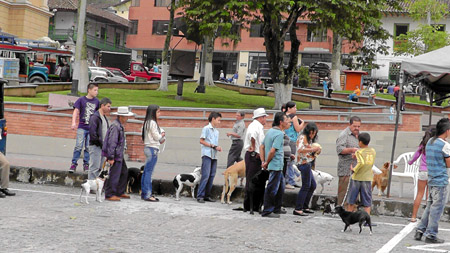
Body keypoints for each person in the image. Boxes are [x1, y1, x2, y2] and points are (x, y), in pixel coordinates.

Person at [414, 118, 450, 244]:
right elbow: (448, 164)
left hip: (431, 179)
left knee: (430, 206)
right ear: (446, 131)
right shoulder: (445, 145)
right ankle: (431, 234)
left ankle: (420, 230)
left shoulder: (429, 142)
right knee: (436, 209)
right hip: (441, 181)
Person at [260, 112, 290, 218]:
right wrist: (266, 162)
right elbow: (272, 150)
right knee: (272, 187)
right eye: (286, 120)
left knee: (280, 187)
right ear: (281, 122)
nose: (288, 122)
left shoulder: (270, 131)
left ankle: (277, 207)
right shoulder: (279, 134)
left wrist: (263, 161)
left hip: (276, 165)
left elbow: (262, 147)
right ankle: (267, 210)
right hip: (275, 164)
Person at [103, 106, 135, 201]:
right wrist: (111, 157)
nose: (127, 118)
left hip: (118, 153)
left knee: (123, 172)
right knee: (114, 174)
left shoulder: (118, 126)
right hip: (116, 154)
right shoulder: (116, 127)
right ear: (121, 116)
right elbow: (112, 143)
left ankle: (119, 191)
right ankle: (110, 193)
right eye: (126, 116)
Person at [69, 83, 100, 173]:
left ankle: (86, 164)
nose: (96, 92)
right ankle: (73, 163)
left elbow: (98, 114)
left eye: (97, 90)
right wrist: (73, 122)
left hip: (91, 129)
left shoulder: (97, 102)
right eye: (95, 90)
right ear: (89, 90)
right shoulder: (81, 100)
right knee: (79, 146)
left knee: (88, 147)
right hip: (82, 127)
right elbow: (76, 111)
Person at [293, 123, 321, 216]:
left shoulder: (308, 139)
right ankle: (298, 208)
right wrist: (312, 149)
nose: (312, 135)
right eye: (311, 133)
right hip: (303, 163)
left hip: (307, 163)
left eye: (314, 134)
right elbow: (300, 149)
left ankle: (305, 206)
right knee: (306, 186)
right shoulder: (302, 137)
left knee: (312, 185)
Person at [243, 108, 268, 211]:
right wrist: (253, 147)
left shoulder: (258, 126)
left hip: (256, 155)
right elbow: (253, 137)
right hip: (254, 155)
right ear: (261, 117)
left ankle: (254, 204)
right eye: (264, 117)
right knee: (252, 180)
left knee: (255, 180)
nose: (265, 119)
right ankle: (249, 205)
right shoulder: (255, 126)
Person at [408, 128, 435, 222]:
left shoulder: (423, 145)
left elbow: (415, 155)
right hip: (432, 172)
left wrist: (410, 162)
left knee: (419, 193)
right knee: (429, 196)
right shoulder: (436, 145)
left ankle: (413, 216)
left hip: (423, 171)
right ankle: (428, 218)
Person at [141, 105, 166, 202]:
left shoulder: (146, 122)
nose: (160, 114)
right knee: (149, 172)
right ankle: (148, 194)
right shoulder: (152, 123)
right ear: (153, 112)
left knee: (146, 172)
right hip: (152, 148)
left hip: (148, 147)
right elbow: (156, 136)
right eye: (158, 112)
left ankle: (144, 193)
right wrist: (162, 135)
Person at [347, 132, 376, 215]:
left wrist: (354, 169)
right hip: (367, 178)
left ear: (360, 142)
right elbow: (367, 161)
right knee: (367, 200)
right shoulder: (373, 151)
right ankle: (367, 219)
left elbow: (361, 162)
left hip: (357, 178)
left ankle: (349, 217)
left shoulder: (359, 152)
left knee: (351, 199)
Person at [336, 116, 361, 209]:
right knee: (344, 190)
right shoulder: (344, 135)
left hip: (356, 167)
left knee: (354, 190)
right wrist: (352, 150)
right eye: (355, 126)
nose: (357, 128)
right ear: (350, 125)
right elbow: (339, 149)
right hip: (345, 167)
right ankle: (341, 209)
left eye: (359, 126)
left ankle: (352, 209)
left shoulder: (359, 135)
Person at [197, 112, 223, 203]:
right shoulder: (206, 128)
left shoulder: (216, 131)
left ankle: (207, 195)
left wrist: (217, 147)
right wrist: (212, 146)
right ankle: (200, 195)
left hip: (214, 155)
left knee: (212, 175)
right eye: (218, 120)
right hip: (207, 154)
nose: (219, 122)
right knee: (206, 175)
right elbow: (201, 141)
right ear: (213, 119)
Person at [282, 102, 305, 189]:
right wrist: (302, 123)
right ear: (289, 108)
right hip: (291, 140)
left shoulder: (283, 116)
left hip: (284, 139)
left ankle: (287, 179)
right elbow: (298, 129)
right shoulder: (293, 117)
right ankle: (290, 181)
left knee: (285, 161)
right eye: (294, 107)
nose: (296, 109)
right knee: (290, 161)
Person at [88, 97, 111, 180]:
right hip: (96, 145)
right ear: (102, 106)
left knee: (101, 167)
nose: (109, 108)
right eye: (108, 106)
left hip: (102, 146)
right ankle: (92, 184)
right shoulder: (95, 117)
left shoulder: (104, 118)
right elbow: (93, 133)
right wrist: (101, 143)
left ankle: (97, 185)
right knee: (94, 166)